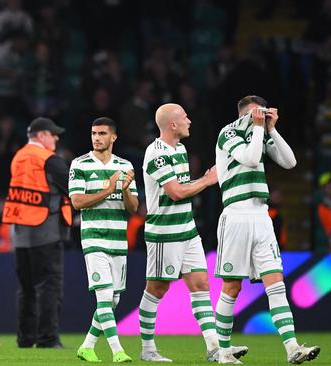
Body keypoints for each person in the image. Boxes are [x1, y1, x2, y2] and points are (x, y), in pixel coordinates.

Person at [214, 96, 320, 364]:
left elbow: (290, 162)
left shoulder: (260, 134)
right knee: (232, 287)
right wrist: (259, 128)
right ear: (242, 114)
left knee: (276, 284)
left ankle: (293, 348)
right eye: (254, 114)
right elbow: (249, 159)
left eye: (261, 113)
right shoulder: (228, 132)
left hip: (261, 216)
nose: (258, 117)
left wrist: (271, 129)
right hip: (236, 215)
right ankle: (222, 350)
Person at [139, 103, 246, 362]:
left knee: (200, 285)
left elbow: (183, 187)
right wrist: (208, 181)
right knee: (157, 289)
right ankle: (147, 350)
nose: (190, 121)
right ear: (172, 125)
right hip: (165, 232)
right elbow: (175, 192)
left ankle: (214, 348)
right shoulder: (157, 153)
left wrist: (200, 182)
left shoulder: (181, 149)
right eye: (185, 117)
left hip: (187, 229)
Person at [70, 117, 138, 363]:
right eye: (93, 133)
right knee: (105, 296)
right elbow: (77, 202)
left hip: (118, 239)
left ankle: (87, 346)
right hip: (94, 237)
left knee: (114, 299)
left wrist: (126, 189)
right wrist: (109, 189)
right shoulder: (80, 164)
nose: (96, 138)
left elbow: (134, 207)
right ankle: (117, 351)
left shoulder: (125, 165)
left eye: (101, 133)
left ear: (113, 137)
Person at [2, 117, 72, 348]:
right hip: (46, 231)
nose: (56, 138)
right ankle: (48, 339)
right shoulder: (50, 160)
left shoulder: (18, 157)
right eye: (53, 134)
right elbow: (73, 189)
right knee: (49, 286)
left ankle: (25, 338)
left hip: (20, 233)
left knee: (26, 289)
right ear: (42, 135)